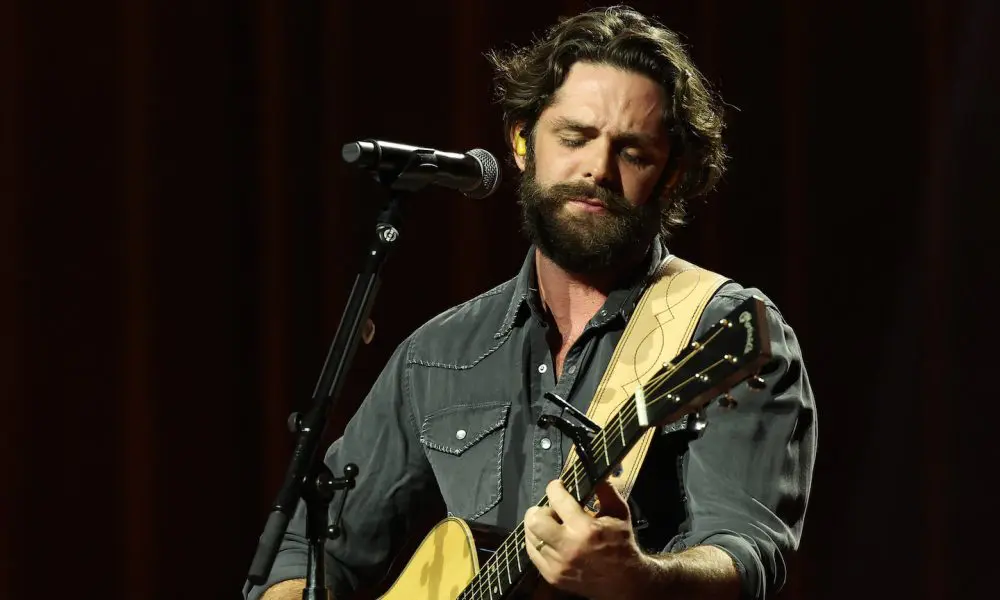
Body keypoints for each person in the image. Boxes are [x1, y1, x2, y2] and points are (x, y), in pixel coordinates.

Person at [246, 5, 816, 600]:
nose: (597, 169)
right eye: (574, 137)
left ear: (670, 176)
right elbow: (311, 551)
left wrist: (638, 579)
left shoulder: (719, 329)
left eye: (634, 153)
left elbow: (748, 554)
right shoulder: (438, 354)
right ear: (522, 142)